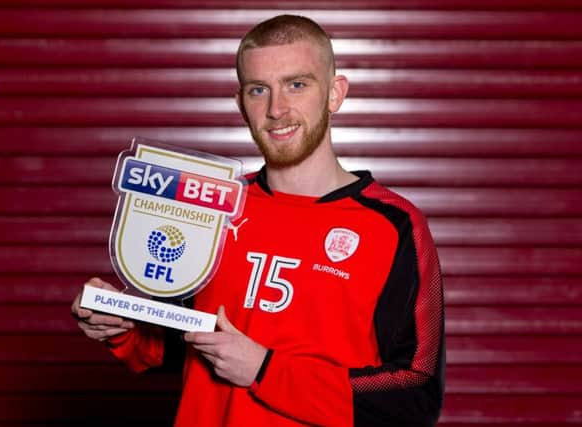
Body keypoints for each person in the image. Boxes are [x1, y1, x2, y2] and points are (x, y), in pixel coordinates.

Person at [71, 14, 445, 427]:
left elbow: (415, 391)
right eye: (258, 90)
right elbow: (173, 344)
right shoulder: (211, 205)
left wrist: (267, 371)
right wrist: (119, 325)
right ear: (240, 102)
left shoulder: (394, 225)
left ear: (335, 94)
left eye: (296, 84)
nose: (276, 109)